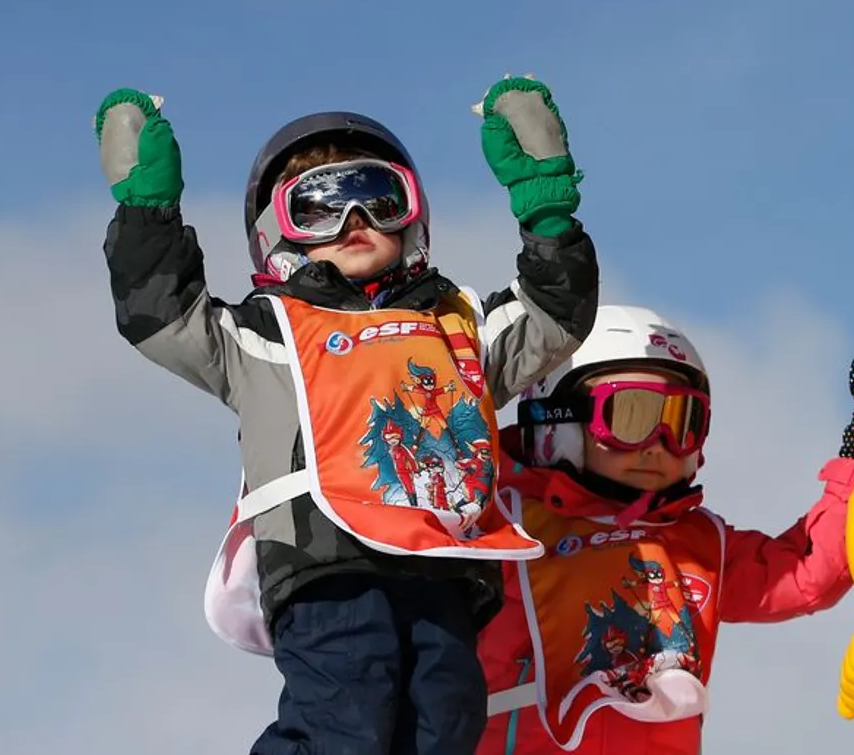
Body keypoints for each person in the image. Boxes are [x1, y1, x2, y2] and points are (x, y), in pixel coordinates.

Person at [94, 76, 601, 755]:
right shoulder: (268, 333)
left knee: (447, 722)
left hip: (444, 563)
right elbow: (164, 317)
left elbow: (553, 317)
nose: (354, 220)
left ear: (411, 217)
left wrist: (547, 213)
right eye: (320, 207)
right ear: (277, 234)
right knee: (347, 719)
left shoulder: (458, 325)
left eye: (377, 199)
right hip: (328, 563)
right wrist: (148, 213)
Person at [476, 307, 854, 755]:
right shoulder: (500, 527)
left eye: (681, 422)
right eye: (631, 416)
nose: (657, 445)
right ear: (558, 421)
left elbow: (805, 573)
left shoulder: (699, 543)